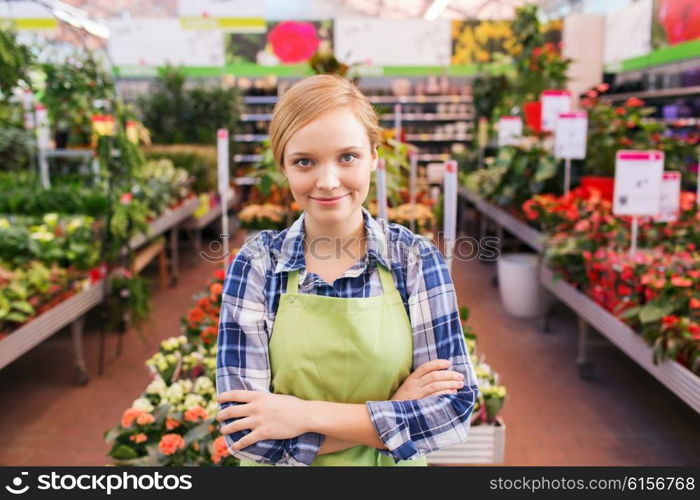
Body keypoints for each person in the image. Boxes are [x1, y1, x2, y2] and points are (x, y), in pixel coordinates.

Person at [215, 74, 479, 466]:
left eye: (347, 157)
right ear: (283, 167)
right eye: (304, 161)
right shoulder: (257, 265)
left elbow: (452, 412)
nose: (327, 181)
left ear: (374, 155)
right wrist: (394, 410)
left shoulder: (414, 259)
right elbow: (247, 436)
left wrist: (302, 415)